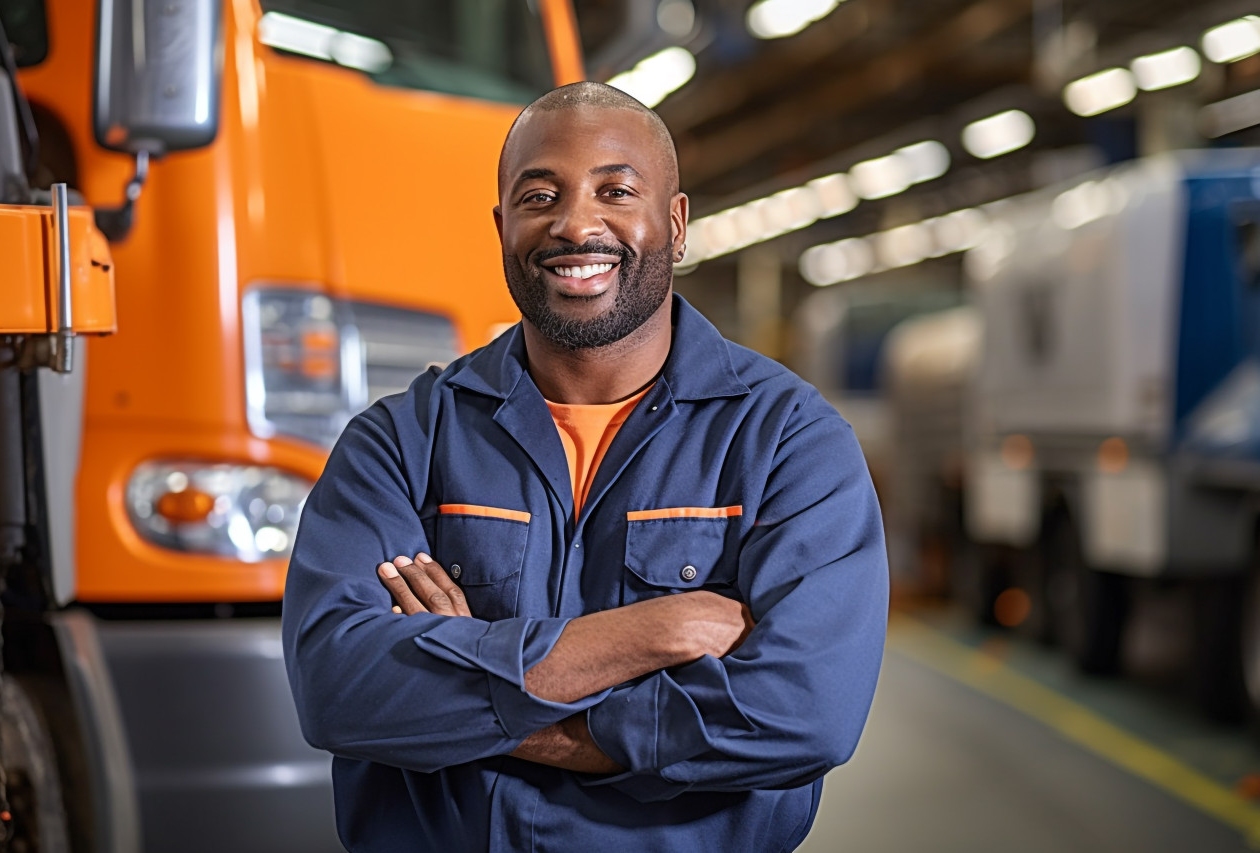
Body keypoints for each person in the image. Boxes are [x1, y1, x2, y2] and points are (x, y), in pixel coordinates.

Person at [282, 81, 889, 853]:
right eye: (540, 196)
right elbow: (340, 688)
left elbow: (805, 712)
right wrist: (648, 633)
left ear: (673, 225)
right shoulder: (402, 441)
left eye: (615, 190)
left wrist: (471, 691)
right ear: (502, 227)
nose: (574, 223)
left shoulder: (788, 442)